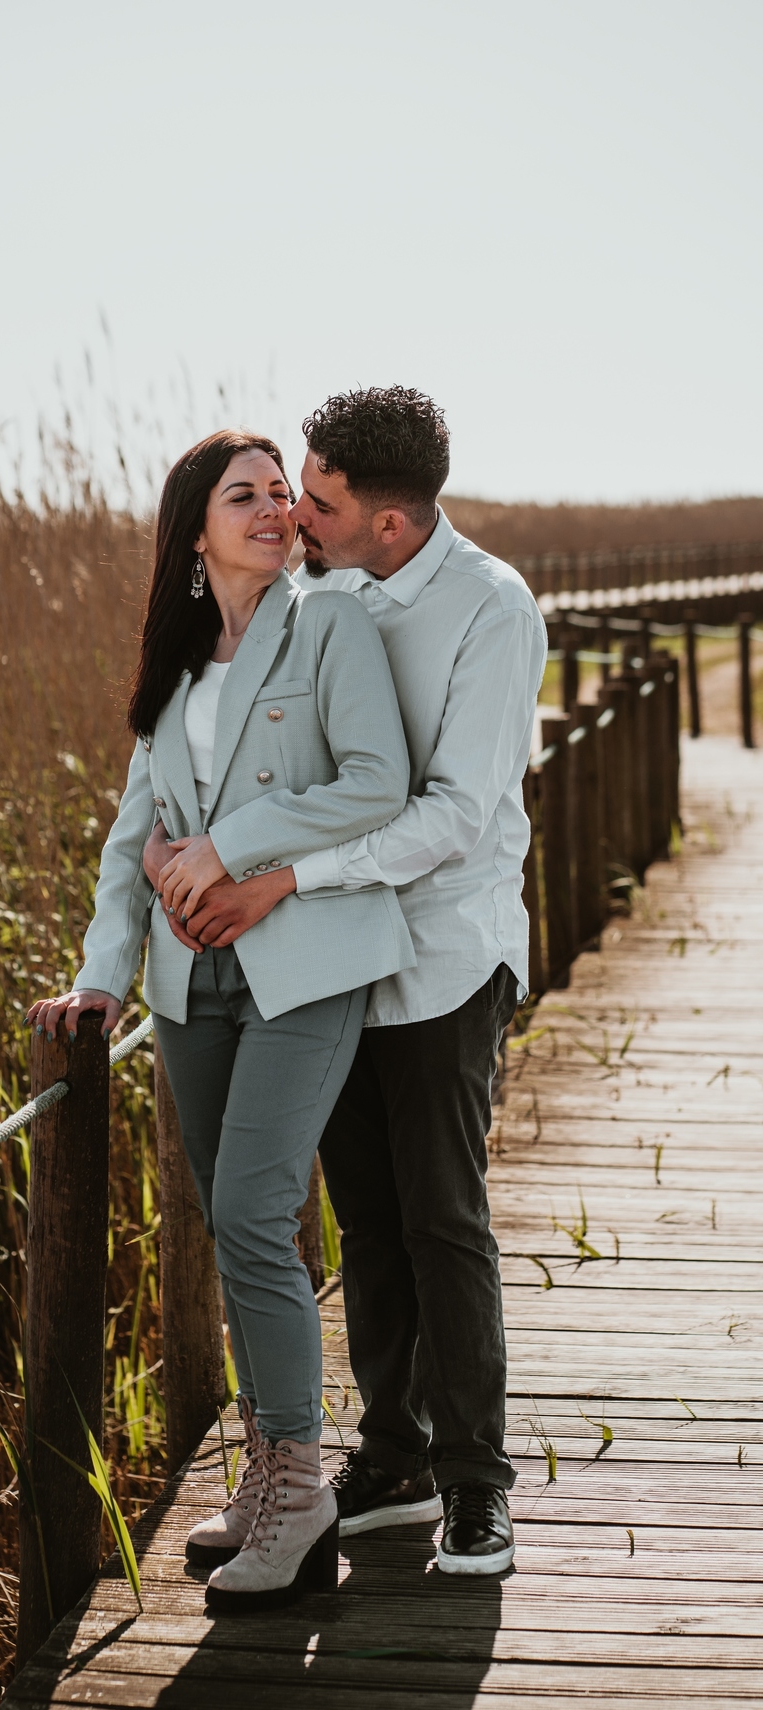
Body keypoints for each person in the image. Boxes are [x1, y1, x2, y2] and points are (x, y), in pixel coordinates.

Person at [156, 388, 548, 1577]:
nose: (298, 515)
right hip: (336, 961)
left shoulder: (490, 609)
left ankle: (478, 1484)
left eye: (317, 500)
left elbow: (451, 816)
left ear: (387, 521)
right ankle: (391, 1453)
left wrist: (278, 877)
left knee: (442, 1212)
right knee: (366, 1215)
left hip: (443, 951)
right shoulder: (322, 597)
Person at [27, 428, 413, 1612]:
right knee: (237, 1223)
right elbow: (126, 837)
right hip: (192, 983)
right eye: (240, 494)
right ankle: (267, 1464)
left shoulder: (333, 621)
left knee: (252, 1206)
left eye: (278, 491)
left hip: (307, 967)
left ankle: (299, 1489)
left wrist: (227, 847)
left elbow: (376, 782)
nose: (271, 506)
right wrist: (102, 973)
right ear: (194, 530)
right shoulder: (181, 663)